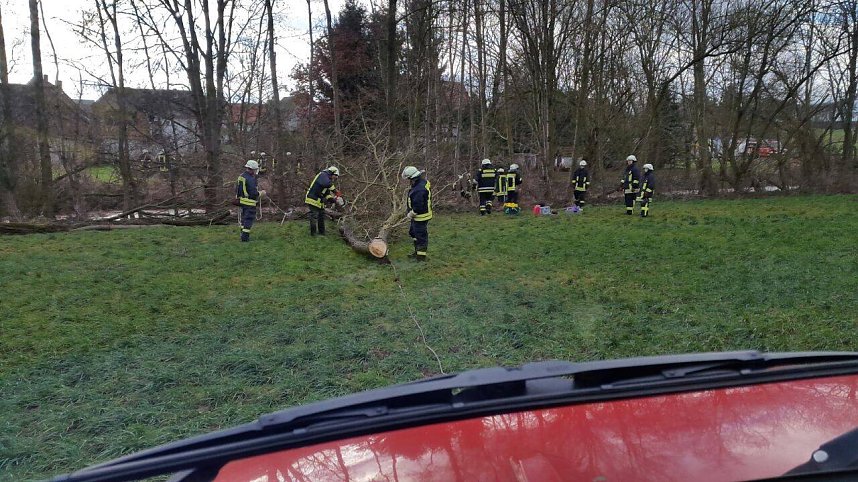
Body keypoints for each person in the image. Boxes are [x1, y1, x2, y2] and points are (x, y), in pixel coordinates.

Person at [402, 166, 432, 261]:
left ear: (412, 178)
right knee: (413, 232)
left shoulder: (418, 189)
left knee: (421, 236)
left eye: (408, 179)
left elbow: (418, 207)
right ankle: (417, 251)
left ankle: (421, 257)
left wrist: (411, 214)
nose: (408, 181)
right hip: (418, 216)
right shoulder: (421, 183)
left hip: (420, 216)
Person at [305, 166, 341, 236]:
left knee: (321, 215)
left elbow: (326, 193)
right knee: (314, 216)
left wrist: (331, 199)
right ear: (332, 173)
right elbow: (326, 184)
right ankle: (313, 234)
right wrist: (335, 191)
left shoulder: (327, 179)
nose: (334, 179)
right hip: (312, 198)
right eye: (335, 177)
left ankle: (322, 232)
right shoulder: (323, 175)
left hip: (319, 200)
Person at [235, 160, 265, 242]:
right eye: (255, 170)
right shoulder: (250, 179)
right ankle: (245, 238)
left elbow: (237, 189)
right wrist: (260, 193)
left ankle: (242, 235)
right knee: (249, 219)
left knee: (243, 219)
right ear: (252, 169)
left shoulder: (241, 176)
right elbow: (253, 193)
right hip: (249, 202)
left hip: (242, 201)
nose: (255, 172)